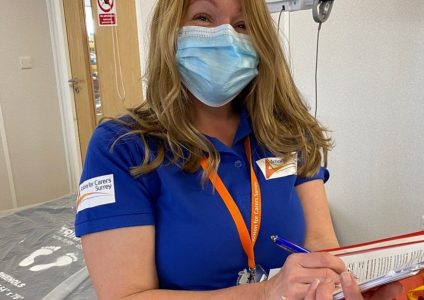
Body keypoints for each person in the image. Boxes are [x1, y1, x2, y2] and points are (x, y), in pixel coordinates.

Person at [75, 0, 402, 299]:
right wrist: (265, 293)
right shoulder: (122, 147)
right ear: (169, 31)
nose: (226, 37)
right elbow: (126, 295)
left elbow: (321, 247)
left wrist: (349, 287)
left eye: (243, 25)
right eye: (203, 17)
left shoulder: (289, 133)